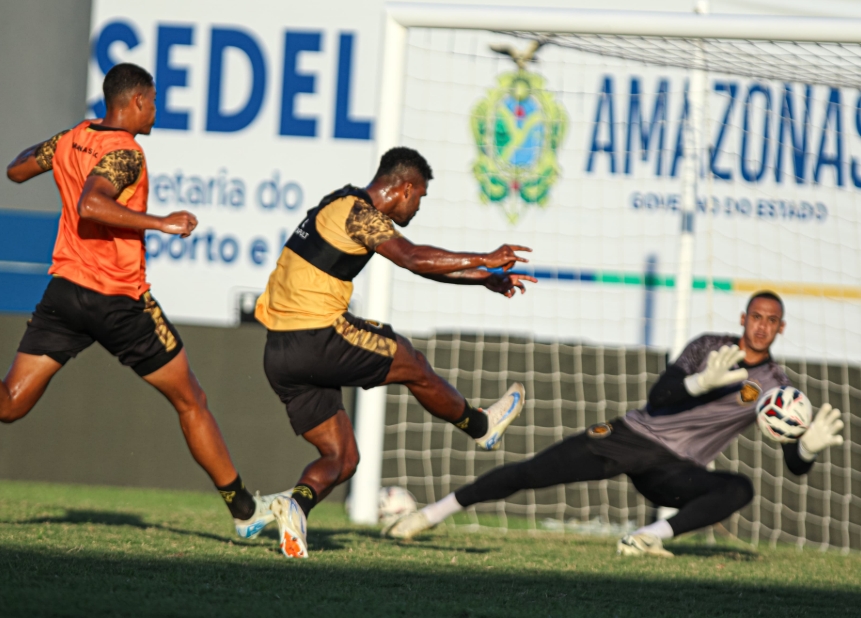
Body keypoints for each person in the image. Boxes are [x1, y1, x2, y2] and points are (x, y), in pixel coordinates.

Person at [2, 63, 280, 539]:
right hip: (119, 302)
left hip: (66, 293)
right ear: (133, 102)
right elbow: (92, 203)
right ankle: (244, 512)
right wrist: (161, 222)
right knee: (191, 400)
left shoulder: (74, 136)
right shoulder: (126, 152)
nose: (156, 109)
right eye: (152, 101)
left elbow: (17, 168)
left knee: (9, 404)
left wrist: (58, 150)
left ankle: (245, 510)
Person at [384, 291, 844, 556]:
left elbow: (794, 465)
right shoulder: (708, 346)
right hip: (629, 437)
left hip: (675, 470)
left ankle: (647, 539)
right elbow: (659, 398)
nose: (762, 327)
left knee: (739, 488)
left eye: (772, 321)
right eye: (756, 317)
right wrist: (701, 383)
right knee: (531, 472)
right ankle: (427, 516)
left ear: (781, 328)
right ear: (744, 318)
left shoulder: (778, 388)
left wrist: (806, 448)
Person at [255, 147, 536, 558]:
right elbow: (414, 258)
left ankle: (296, 504)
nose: (419, 206)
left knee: (342, 456)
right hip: (314, 335)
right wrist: (485, 257)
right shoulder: (359, 211)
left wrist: (483, 277)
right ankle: (479, 426)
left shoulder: (339, 204)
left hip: (278, 354)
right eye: (420, 197)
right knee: (410, 360)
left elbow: (420, 261)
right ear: (405, 188)